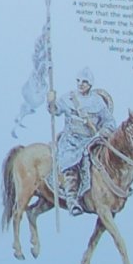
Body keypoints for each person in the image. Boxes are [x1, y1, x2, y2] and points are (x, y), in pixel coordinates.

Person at [48, 70, 117, 213]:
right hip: (71, 140)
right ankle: (72, 199)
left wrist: (102, 132)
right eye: (78, 81)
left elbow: (110, 122)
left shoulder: (97, 101)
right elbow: (56, 110)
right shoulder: (69, 98)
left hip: (91, 140)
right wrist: (51, 102)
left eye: (84, 82)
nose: (80, 84)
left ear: (90, 84)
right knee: (70, 162)